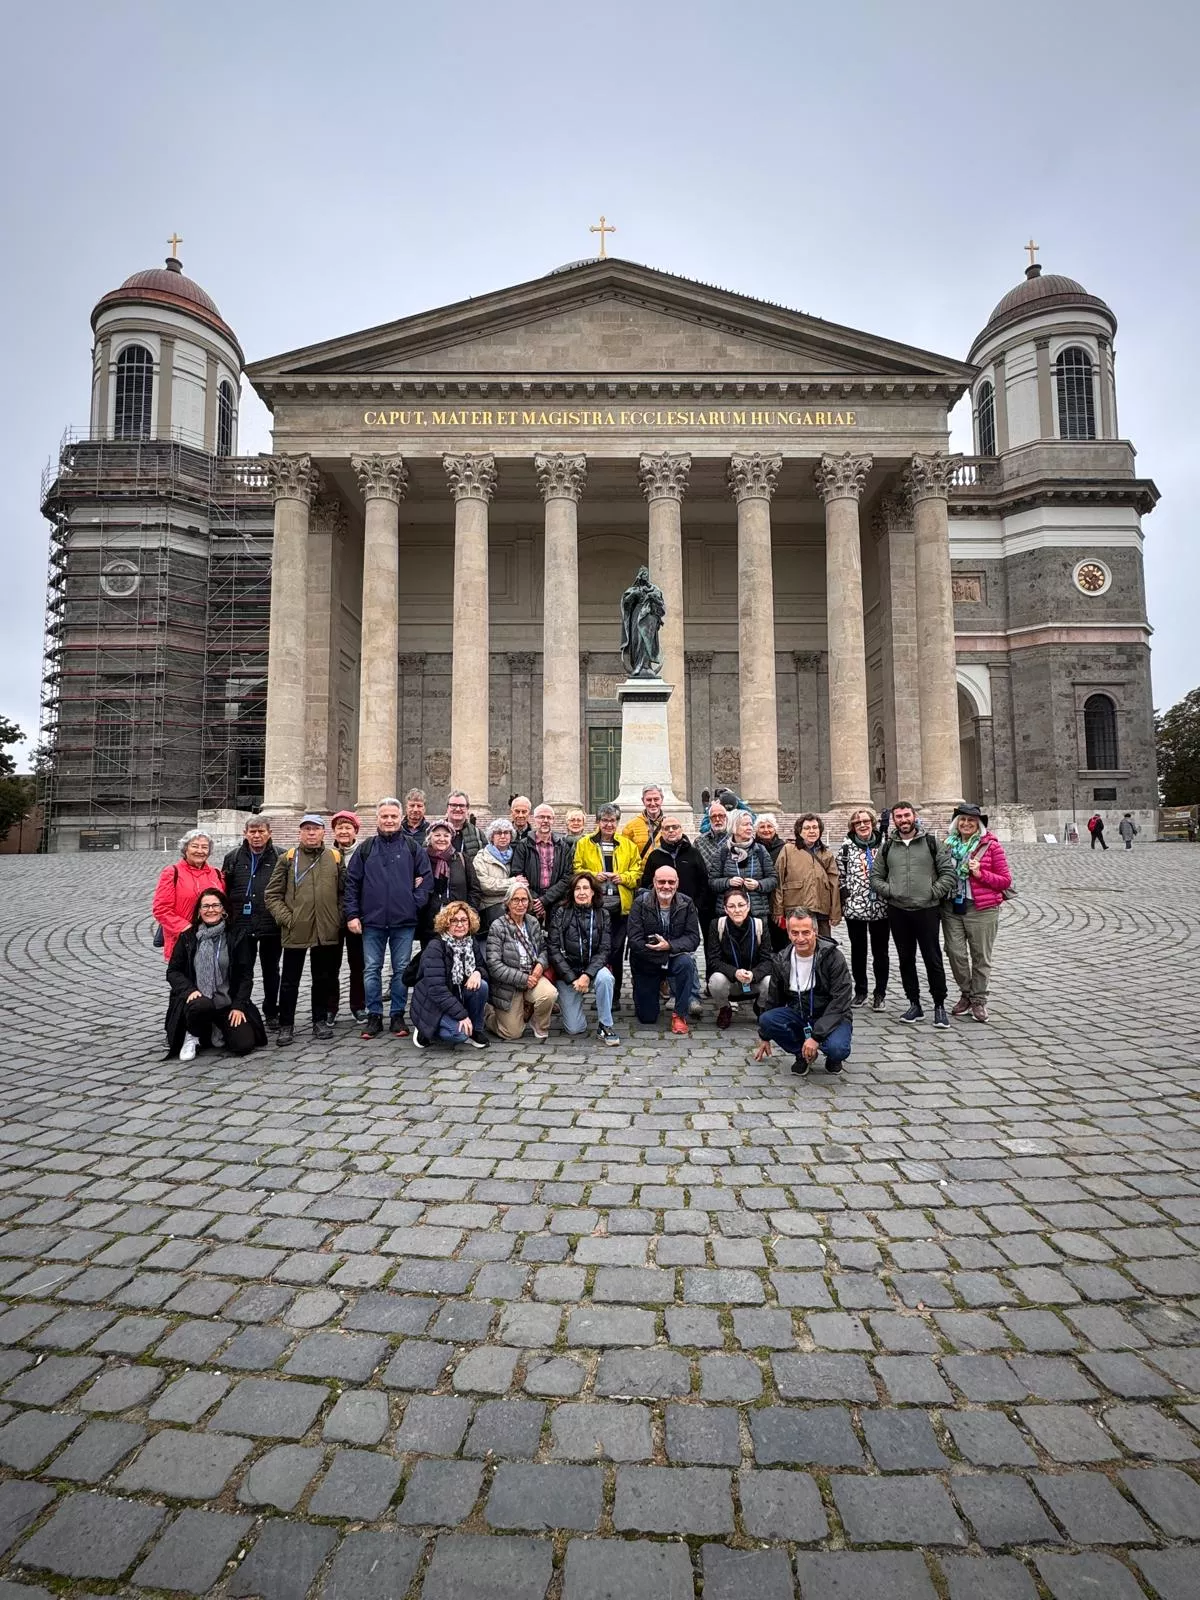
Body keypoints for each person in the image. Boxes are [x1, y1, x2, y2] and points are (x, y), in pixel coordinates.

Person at [345, 797, 432, 1039]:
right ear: (377, 819)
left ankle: (397, 1015)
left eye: (393, 816)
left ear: (400, 817)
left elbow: (425, 881)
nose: (389, 820)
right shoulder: (365, 848)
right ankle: (374, 1015)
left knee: (401, 969)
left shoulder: (413, 848)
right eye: (385, 816)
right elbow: (352, 884)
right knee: (371, 969)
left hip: (403, 922)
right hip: (372, 922)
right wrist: (352, 914)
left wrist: (412, 905)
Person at [870, 800, 956, 1027]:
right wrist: (891, 891)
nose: (903, 820)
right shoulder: (887, 847)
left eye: (907, 815)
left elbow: (948, 873)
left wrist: (932, 892)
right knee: (905, 960)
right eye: (899, 817)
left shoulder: (931, 842)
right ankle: (914, 1003)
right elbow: (875, 876)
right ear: (894, 820)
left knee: (933, 958)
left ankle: (939, 1005)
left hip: (927, 910)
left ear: (914, 816)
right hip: (898, 910)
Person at [263, 813, 346, 1046]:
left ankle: (319, 1020)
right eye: (307, 829)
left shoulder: (335, 857)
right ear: (300, 832)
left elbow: (344, 892)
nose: (311, 833)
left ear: (323, 833)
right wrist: (288, 920)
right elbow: (272, 894)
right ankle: (286, 1025)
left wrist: (337, 918)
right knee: (290, 980)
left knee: (322, 978)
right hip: (295, 929)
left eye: (315, 829)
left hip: (326, 930)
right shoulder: (287, 858)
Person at [165, 888, 267, 1061]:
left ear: (223, 910)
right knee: (202, 1005)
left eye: (215, 905)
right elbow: (173, 971)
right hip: (197, 1002)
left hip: (226, 1003)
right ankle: (192, 1034)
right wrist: (189, 990)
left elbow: (245, 975)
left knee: (243, 1045)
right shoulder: (188, 937)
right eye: (205, 906)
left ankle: (215, 1028)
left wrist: (238, 1005)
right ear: (199, 911)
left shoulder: (236, 936)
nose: (210, 910)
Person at [754, 907, 854, 1078]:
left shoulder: (834, 957)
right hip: (799, 1012)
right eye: (795, 933)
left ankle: (832, 1057)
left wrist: (815, 1038)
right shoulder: (781, 959)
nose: (800, 938)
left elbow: (841, 1001)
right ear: (788, 933)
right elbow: (774, 999)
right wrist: (765, 1035)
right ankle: (803, 1054)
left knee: (837, 1049)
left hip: (831, 1014)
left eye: (806, 932)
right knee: (767, 1019)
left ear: (815, 931)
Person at [942, 803, 1012, 1024]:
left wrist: (980, 873)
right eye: (962, 820)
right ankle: (966, 992)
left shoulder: (991, 847)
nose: (966, 824)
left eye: (971, 820)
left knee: (981, 955)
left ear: (978, 824)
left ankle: (978, 1000)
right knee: (955, 952)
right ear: (956, 823)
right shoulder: (946, 846)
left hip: (982, 908)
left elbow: (1005, 880)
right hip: (952, 907)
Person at [574, 805, 641, 1007]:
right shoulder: (584, 843)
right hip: (596, 906)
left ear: (617, 823)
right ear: (598, 822)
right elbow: (577, 869)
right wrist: (593, 876)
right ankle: (600, 993)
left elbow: (637, 872)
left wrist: (624, 877)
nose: (609, 824)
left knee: (616, 950)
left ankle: (615, 995)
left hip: (620, 906)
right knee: (597, 950)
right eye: (605, 821)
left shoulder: (628, 845)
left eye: (613, 821)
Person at [626, 864, 701, 1034]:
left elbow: (693, 938)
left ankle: (679, 1014)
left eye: (670, 882)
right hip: (647, 960)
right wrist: (660, 955)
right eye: (661, 882)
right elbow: (635, 941)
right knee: (647, 1018)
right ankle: (645, 986)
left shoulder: (686, 903)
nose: (666, 886)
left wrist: (669, 947)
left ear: (677, 883)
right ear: (654, 881)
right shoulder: (640, 903)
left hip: (674, 956)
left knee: (687, 963)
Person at [220, 816, 280, 1026]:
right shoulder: (233, 857)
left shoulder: (281, 856)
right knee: (242, 969)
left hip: (271, 923)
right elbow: (224, 890)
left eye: (261, 831)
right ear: (245, 833)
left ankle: (271, 1011)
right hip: (242, 924)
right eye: (252, 832)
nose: (256, 836)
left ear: (269, 833)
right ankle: (240, 1007)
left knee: (271, 970)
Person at [550, 872, 619, 1045]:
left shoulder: (603, 914)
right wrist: (572, 978)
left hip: (592, 970)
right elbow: (553, 948)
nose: (581, 892)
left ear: (593, 891)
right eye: (577, 888)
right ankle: (572, 1002)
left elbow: (604, 950)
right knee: (575, 1029)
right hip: (569, 973)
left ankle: (605, 1025)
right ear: (572, 892)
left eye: (585, 888)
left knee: (606, 978)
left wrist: (587, 975)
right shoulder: (561, 913)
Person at [410, 901, 489, 1050]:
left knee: (481, 986)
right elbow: (437, 990)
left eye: (464, 920)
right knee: (459, 1035)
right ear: (446, 923)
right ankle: (426, 1030)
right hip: (433, 1003)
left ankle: (475, 1031)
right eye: (454, 920)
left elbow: (483, 968)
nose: (459, 925)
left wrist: (478, 972)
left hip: (456, 997)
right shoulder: (436, 947)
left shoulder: (471, 943)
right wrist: (462, 1016)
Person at [485, 880, 557, 1040]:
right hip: (509, 985)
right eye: (515, 900)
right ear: (507, 902)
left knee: (549, 994)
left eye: (524, 899)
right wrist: (524, 979)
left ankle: (539, 1024)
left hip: (533, 976)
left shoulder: (532, 922)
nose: (520, 904)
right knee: (512, 1033)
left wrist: (540, 965)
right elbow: (494, 965)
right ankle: (489, 1014)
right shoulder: (498, 926)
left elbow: (543, 949)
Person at [836, 807, 890, 1009]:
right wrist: (845, 900)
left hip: (881, 907)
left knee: (881, 952)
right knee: (858, 952)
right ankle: (860, 991)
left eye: (866, 821)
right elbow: (840, 876)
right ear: (852, 826)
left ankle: (880, 993)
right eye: (858, 823)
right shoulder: (846, 848)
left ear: (873, 823)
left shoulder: (886, 844)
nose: (862, 825)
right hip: (855, 908)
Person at [152, 829, 224, 962]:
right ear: (185, 849)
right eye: (195, 846)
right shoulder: (172, 873)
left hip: (213, 940)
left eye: (204, 847)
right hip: (183, 940)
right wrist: (187, 929)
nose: (200, 851)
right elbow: (161, 909)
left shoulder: (216, 874)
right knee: (186, 981)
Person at [706, 888, 773, 1028]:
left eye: (741, 905)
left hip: (753, 980)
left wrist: (754, 974)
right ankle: (725, 1008)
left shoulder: (760, 925)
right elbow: (713, 960)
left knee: (771, 980)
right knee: (716, 981)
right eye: (731, 906)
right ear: (725, 909)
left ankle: (760, 1007)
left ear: (748, 906)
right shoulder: (716, 925)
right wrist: (734, 973)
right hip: (730, 981)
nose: (737, 910)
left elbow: (767, 960)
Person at [327, 811, 367, 1024]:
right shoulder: (326, 855)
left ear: (355, 831)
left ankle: (358, 1006)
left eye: (347, 827)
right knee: (331, 966)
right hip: (331, 918)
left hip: (357, 917)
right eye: (339, 827)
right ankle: (330, 1008)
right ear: (334, 831)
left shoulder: (363, 854)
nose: (343, 831)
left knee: (358, 964)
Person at [773, 814, 841, 939]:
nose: (812, 831)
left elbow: (834, 883)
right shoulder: (788, 850)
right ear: (799, 831)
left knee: (823, 947)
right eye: (807, 828)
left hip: (821, 908)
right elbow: (778, 880)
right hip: (795, 906)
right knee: (797, 943)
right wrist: (778, 909)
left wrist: (835, 912)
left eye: (815, 827)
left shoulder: (826, 854)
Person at [418, 818, 482, 946]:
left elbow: (474, 889)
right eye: (437, 835)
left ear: (451, 838)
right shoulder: (422, 859)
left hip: (458, 922)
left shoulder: (462, 859)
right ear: (429, 838)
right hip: (430, 923)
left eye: (446, 835)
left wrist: (468, 911)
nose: (441, 839)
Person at [711, 809, 778, 921]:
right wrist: (728, 882)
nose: (750, 828)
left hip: (757, 913)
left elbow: (773, 879)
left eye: (751, 824)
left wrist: (758, 884)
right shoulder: (722, 852)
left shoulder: (760, 850)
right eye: (745, 824)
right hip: (730, 913)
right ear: (734, 827)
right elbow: (712, 882)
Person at [512, 804, 575, 921]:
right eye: (541, 817)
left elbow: (568, 876)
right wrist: (536, 900)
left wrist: (545, 900)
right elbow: (517, 874)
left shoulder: (563, 846)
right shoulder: (523, 845)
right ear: (534, 819)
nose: (545, 821)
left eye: (549, 817)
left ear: (553, 820)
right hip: (530, 903)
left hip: (556, 902)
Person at [476, 817, 518, 927]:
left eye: (506, 833)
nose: (503, 836)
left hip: (514, 909)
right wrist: (513, 882)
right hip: (490, 911)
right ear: (492, 836)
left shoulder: (517, 855)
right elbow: (485, 885)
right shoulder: (481, 857)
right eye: (498, 833)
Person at [621, 784, 665, 860]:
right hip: (640, 871)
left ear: (662, 799)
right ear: (643, 801)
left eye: (656, 799)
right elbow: (624, 855)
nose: (653, 803)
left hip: (663, 870)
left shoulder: (671, 825)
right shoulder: (631, 826)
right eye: (648, 800)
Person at [445, 791, 485, 862]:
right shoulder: (434, 832)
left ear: (467, 808)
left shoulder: (478, 834)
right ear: (447, 808)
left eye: (461, 805)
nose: (457, 809)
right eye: (453, 805)